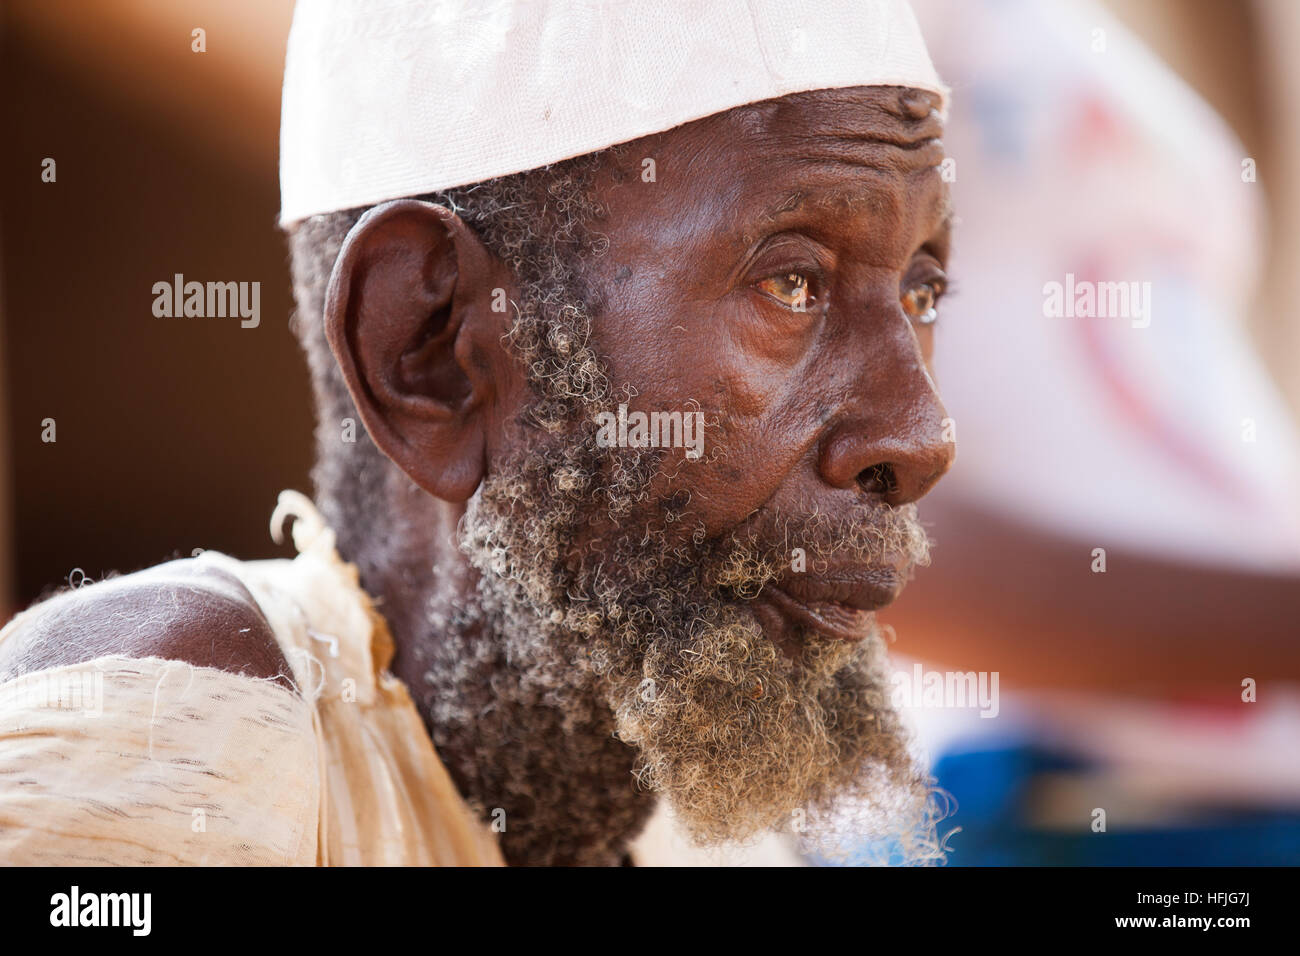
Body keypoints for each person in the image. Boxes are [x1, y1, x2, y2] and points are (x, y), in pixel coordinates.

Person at [0, 0, 957, 866]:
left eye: (921, 288)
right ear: (434, 350)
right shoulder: (176, 737)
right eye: (792, 282)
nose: (921, 434)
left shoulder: (716, 850)